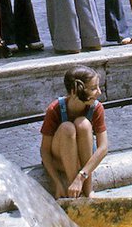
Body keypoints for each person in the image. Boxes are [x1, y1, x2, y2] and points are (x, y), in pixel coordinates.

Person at [39, 66, 109, 199]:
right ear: (75, 91)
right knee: (67, 128)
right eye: (93, 89)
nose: (99, 92)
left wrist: (81, 177)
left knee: (83, 124)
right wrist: (57, 182)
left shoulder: (96, 108)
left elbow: (103, 147)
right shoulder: (55, 109)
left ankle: (87, 191)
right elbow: (45, 151)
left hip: (82, 162)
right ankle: (74, 192)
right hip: (59, 160)